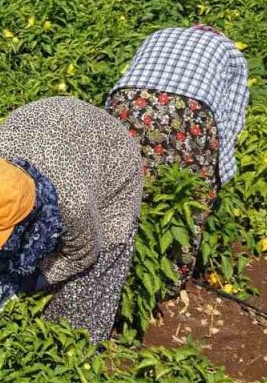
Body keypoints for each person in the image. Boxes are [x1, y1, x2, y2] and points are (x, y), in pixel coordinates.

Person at [0, 97, 143, 383]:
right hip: (50, 126)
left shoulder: (72, 201)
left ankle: (68, 382)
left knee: (81, 299)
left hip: (110, 163)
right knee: (6, 259)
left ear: (26, 215)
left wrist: (18, 288)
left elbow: (82, 255)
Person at [105, 24, 249, 290]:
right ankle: (169, 279)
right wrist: (222, 166)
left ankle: (105, 264)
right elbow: (231, 115)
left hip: (129, 100)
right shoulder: (230, 52)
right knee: (192, 194)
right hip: (188, 110)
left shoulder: (160, 34)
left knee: (119, 182)